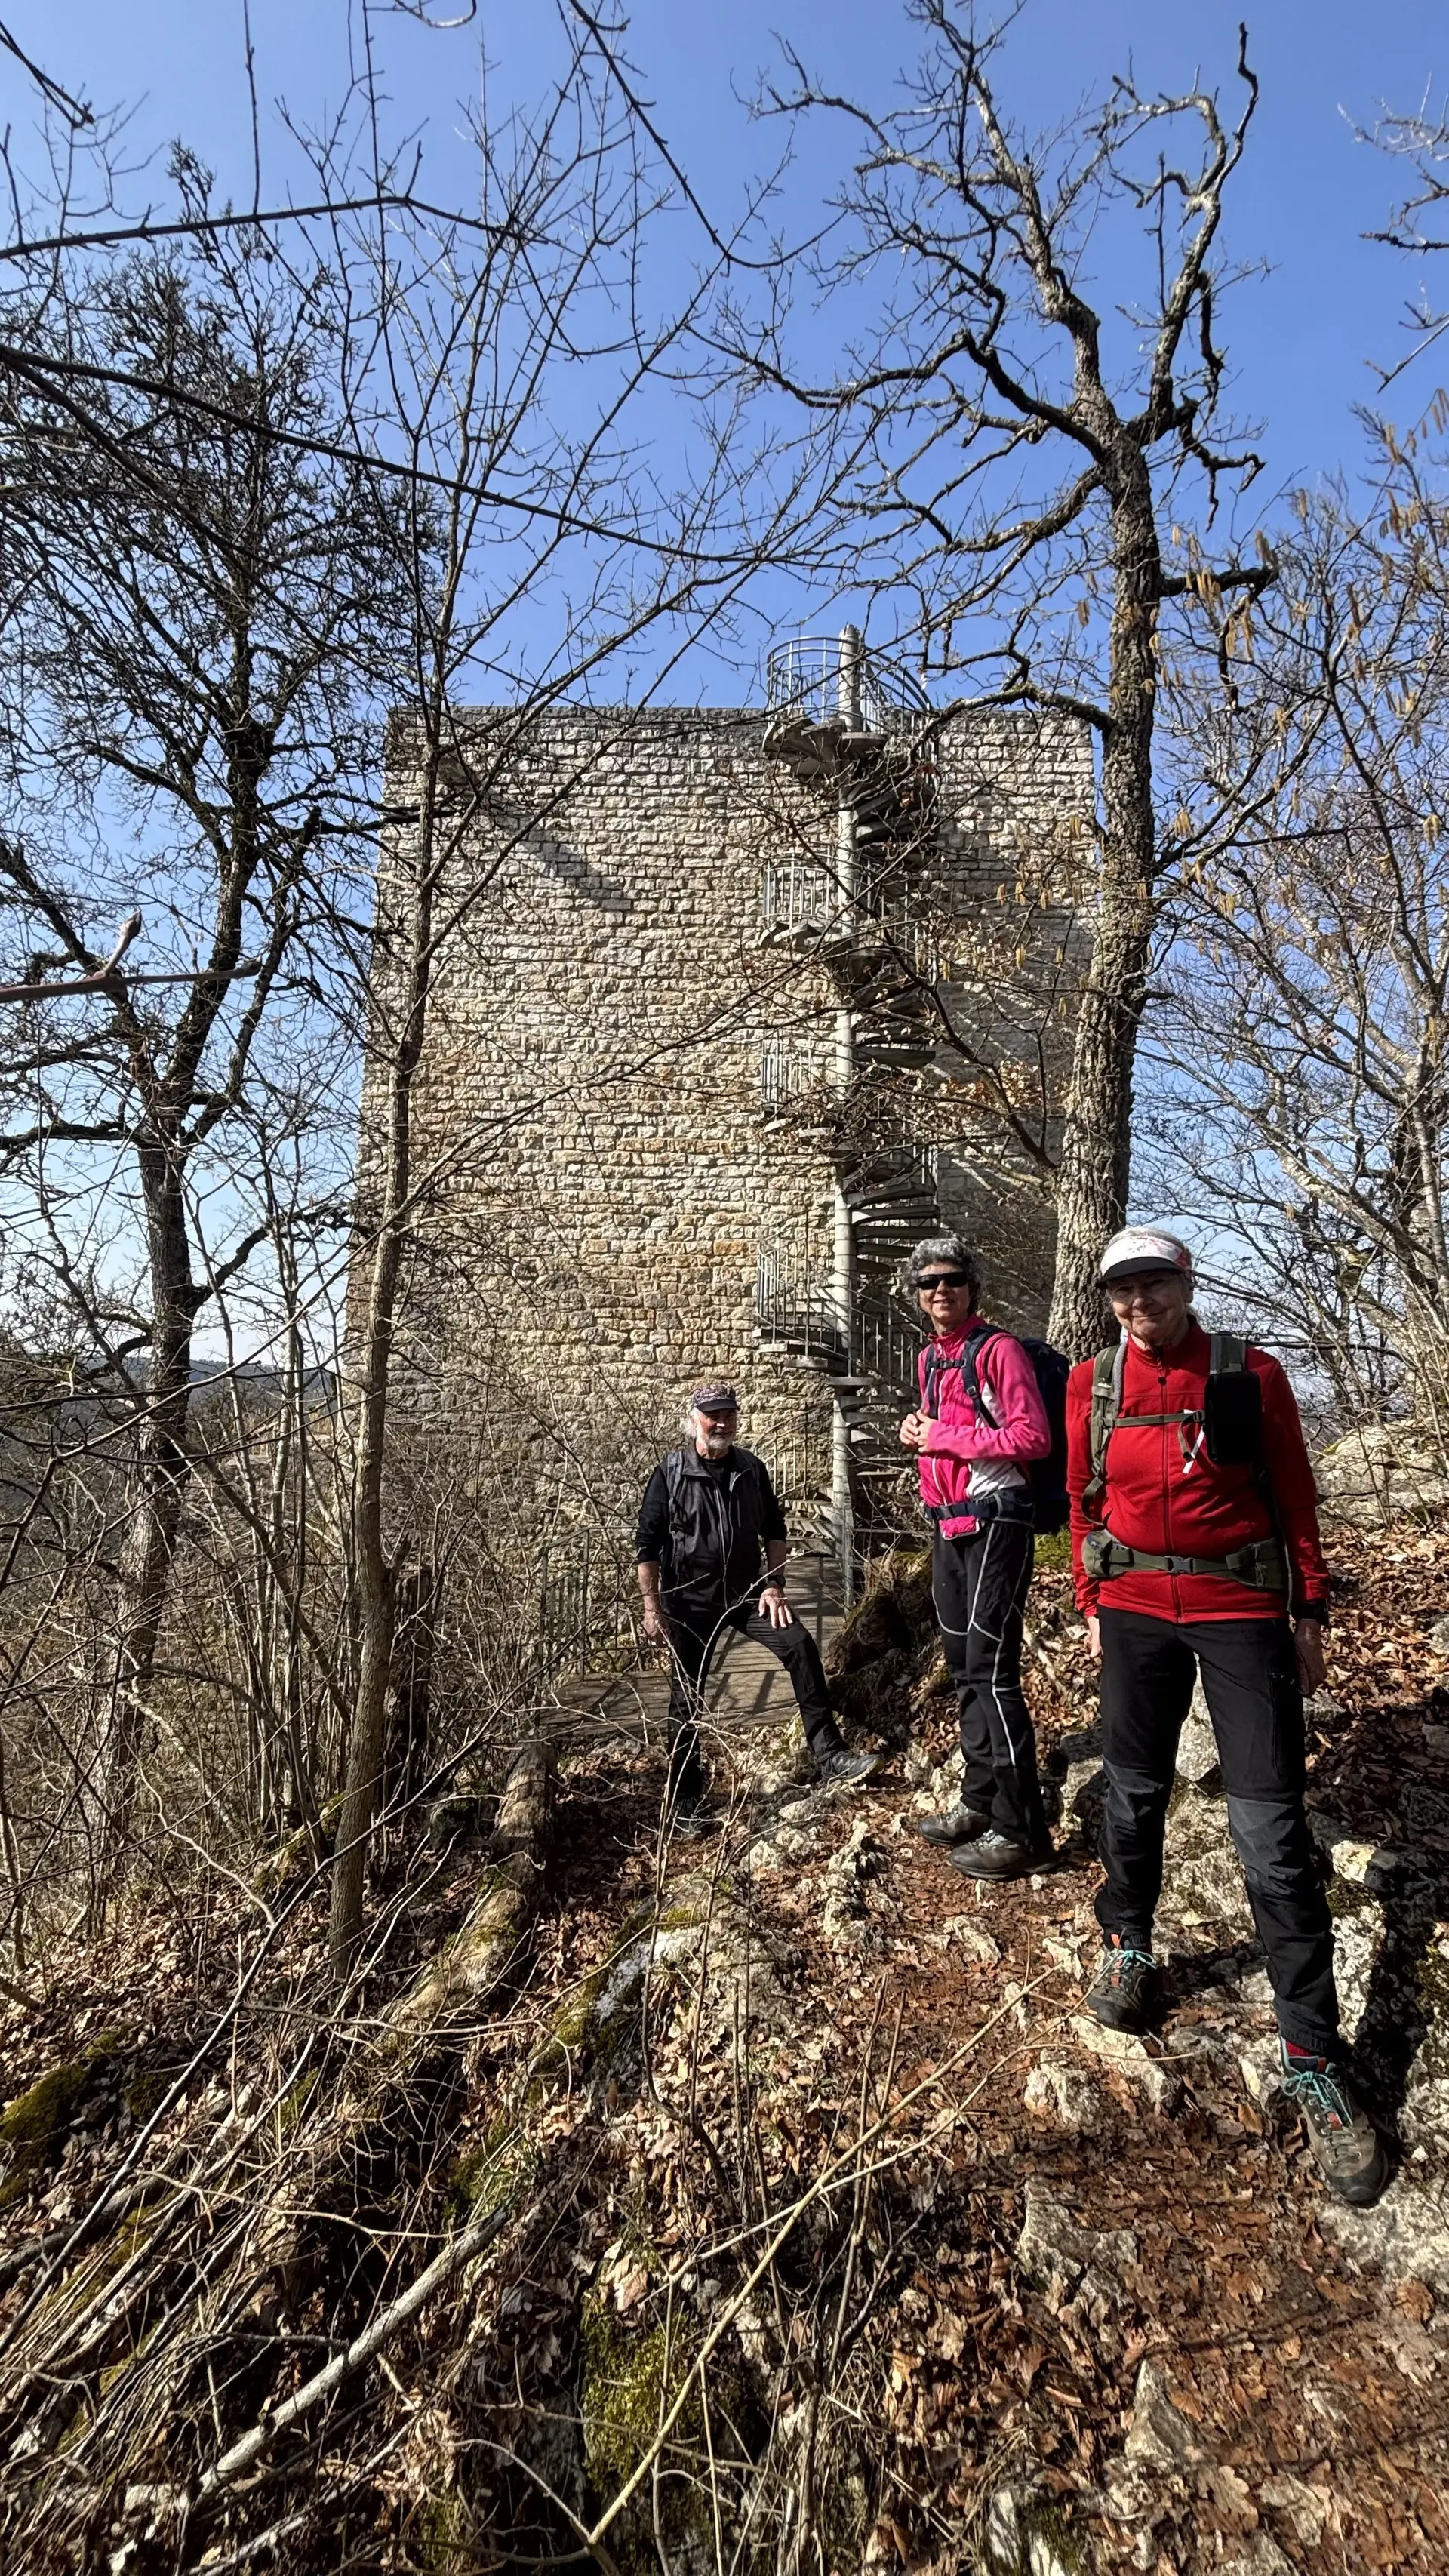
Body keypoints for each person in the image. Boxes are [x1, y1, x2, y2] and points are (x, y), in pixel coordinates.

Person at [1067, 1225, 1386, 2205]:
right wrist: (1090, 1598)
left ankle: (1313, 2055)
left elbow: (1294, 1495)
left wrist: (1312, 1608)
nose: (1137, 1306)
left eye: (1152, 1286)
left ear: (1185, 1283)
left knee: (1272, 1830)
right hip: (1131, 1615)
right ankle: (1129, 1943)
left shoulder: (1250, 1375)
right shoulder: (1092, 1384)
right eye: (1122, 1291)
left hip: (1240, 1609)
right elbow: (1081, 1499)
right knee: (1130, 1792)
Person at [636, 1381, 883, 1830]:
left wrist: (774, 1585)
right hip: (688, 1602)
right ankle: (686, 1801)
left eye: (729, 1413)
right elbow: (647, 1547)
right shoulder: (669, 1473)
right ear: (693, 1419)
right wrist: (653, 1609)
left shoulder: (752, 1469)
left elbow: (774, 1530)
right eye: (713, 1414)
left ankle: (830, 1756)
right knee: (685, 1697)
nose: (723, 1422)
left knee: (800, 1645)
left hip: (747, 1594)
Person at [898, 1236, 1055, 1881]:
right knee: (964, 1668)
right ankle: (979, 1799)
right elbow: (947, 1435)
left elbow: (1032, 1437)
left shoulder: (999, 1350)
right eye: (929, 1283)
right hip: (950, 1525)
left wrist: (943, 1437)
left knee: (993, 1671)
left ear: (972, 1287)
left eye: (953, 1280)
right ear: (916, 1294)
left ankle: (1024, 1830)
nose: (941, 1291)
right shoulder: (930, 1359)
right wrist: (919, 1436)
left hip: (998, 1520)